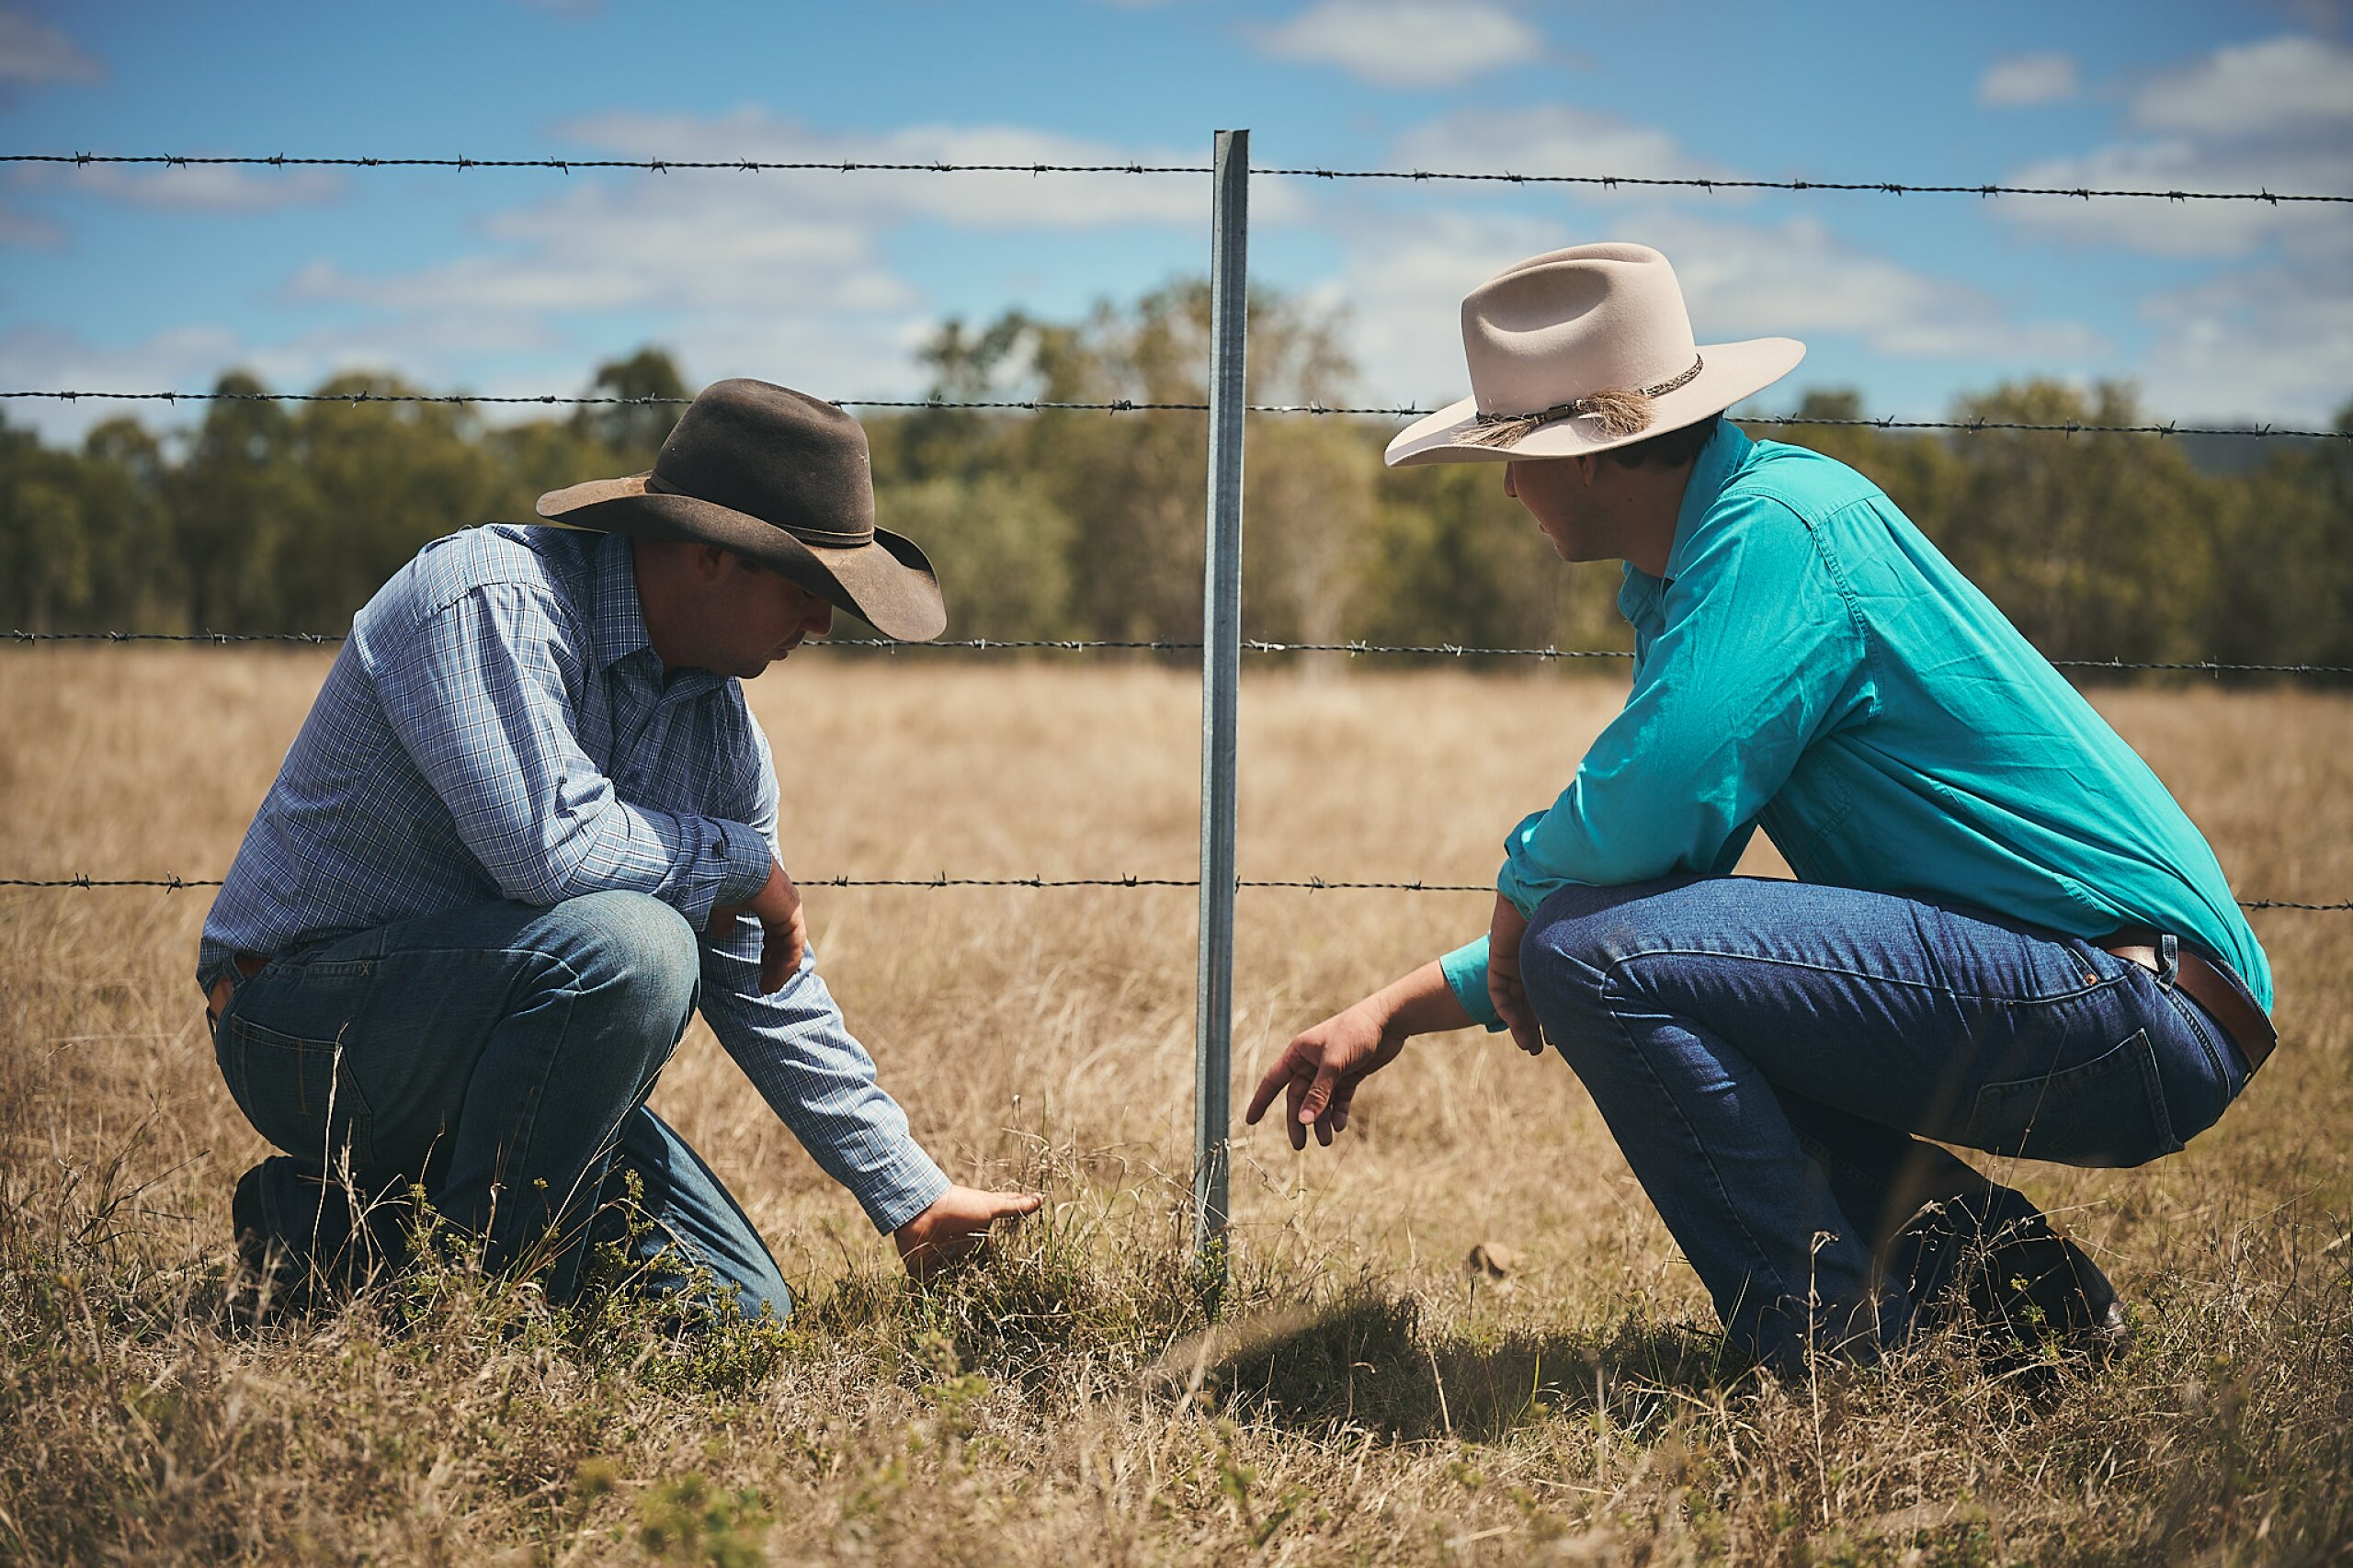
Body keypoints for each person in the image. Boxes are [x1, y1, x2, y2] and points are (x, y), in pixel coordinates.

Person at [1246, 244, 2277, 1372]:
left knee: (1593, 952)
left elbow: (1627, 852)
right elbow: (1650, 895)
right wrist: (1396, 1007)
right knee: (1627, 957)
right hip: (2122, 999)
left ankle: (1831, 1356)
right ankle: (2017, 1300)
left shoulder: (1776, 534)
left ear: (1591, 455)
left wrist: (1520, 891)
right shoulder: (1730, 550)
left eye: (1514, 451)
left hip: (2127, 1002)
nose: (1504, 485)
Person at [200, 378, 1040, 1322]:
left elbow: (760, 979)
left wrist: (911, 1196)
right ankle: (484, 1313)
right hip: (305, 1030)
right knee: (639, 949)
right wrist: (737, 860)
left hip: (502, 1056)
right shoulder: (489, 600)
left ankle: (318, 1231)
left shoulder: (720, 731)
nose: (820, 623)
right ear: (711, 558)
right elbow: (549, 852)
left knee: (739, 1305)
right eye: (806, 590)